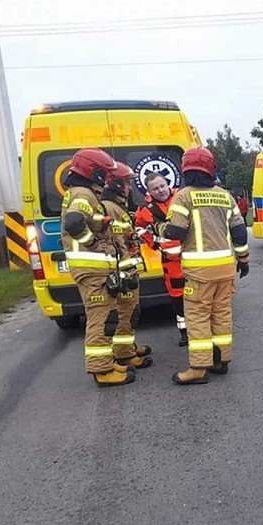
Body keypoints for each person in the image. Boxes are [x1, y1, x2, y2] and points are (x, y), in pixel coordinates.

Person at [156, 147, 249, 385]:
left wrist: (159, 229)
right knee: (221, 314)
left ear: (186, 170)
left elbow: (175, 231)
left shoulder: (184, 196)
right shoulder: (225, 196)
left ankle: (198, 368)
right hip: (225, 270)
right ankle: (221, 360)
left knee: (197, 317)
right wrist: (244, 260)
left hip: (199, 272)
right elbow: (239, 232)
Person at [59, 148, 135, 387]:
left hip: (94, 269)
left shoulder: (80, 193)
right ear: (95, 172)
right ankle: (102, 371)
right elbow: (74, 221)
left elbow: (82, 220)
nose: (107, 178)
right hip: (91, 268)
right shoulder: (83, 194)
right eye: (105, 172)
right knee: (100, 318)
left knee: (106, 315)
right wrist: (92, 242)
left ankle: (107, 364)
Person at [100, 162, 153, 369]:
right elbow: (118, 244)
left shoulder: (115, 207)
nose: (129, 188)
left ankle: (127, 347)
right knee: (126, 312)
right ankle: (124, 354)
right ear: (114, 185)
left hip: (125, 270)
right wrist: (125, 273)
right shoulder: (112, 208)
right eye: (126, 183)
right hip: (124, 272)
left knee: (130, 311)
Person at [134, 172, 188, 347]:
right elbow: (139, 228)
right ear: (149, 192)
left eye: (162, 186)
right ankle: (185, 332)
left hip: (193, 256)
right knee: (178, 299)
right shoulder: (145, 210)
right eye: (155, 188)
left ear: (168, 184)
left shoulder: (182, 196)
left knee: (200, 294)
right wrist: (154, 244)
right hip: (171, 262)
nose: (161, 190)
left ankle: (203, 328)